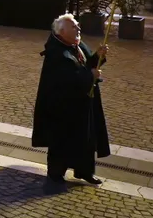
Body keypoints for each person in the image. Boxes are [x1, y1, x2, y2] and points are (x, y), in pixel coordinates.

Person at [32, 13, 110, 188]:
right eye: (74, 26)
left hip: (82, 102)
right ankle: (56, 173)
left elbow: (86, 64)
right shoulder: (56, 52)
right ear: (61, 32)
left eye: (77, 25)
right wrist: (89, 75)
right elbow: (66, 78)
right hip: (63, 106)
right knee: (62, 139)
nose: (78, 28)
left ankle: (85, 171)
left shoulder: (77, 44)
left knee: (85, 138)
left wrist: (98, 56)